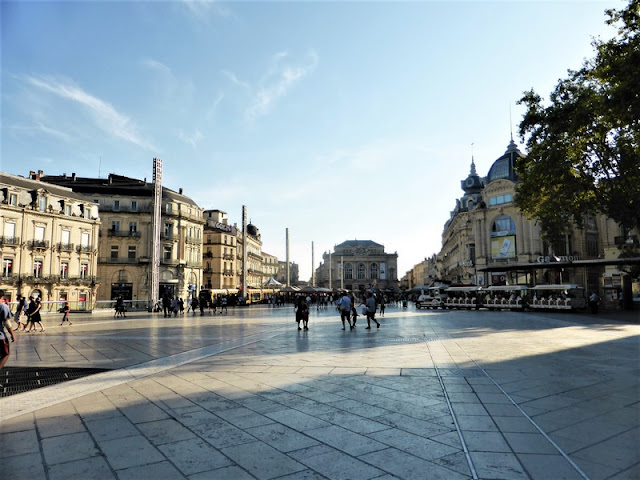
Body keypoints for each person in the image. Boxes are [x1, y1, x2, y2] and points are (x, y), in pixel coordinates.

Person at [0, 299, 16, 370]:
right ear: (1, 297)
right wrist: (12, 334)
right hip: (0, 337)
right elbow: (7, 322)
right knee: (5, 354)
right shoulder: (3, 306)